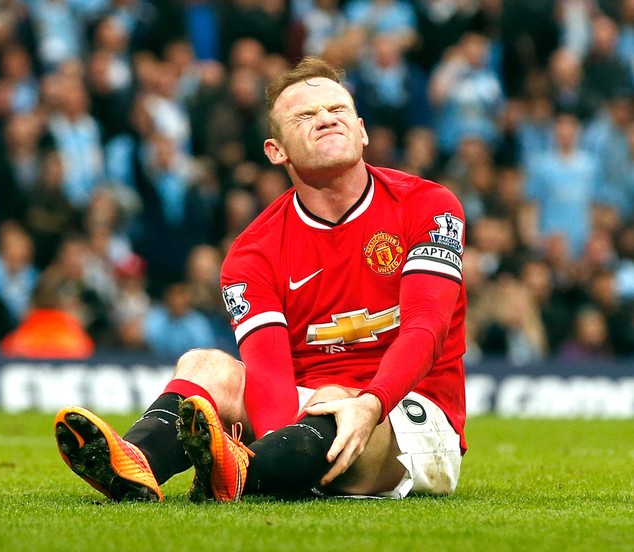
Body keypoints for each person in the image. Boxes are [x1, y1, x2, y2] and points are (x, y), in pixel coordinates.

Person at [54, 56, 467, 503]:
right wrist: (279, 438)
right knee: (202, 364)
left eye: (338, 110)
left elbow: (427, 327)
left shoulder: (427, 206)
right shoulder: (252, 253)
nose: (326, 119)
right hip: (301, 412)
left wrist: (369, 403)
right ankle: (138, 464)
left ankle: (244, 470)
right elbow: (270, 375)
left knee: (333, 397)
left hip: (409, 412)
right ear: (276, 151)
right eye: (305, 116)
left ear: (363, 131)